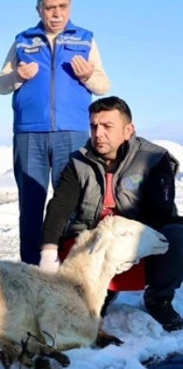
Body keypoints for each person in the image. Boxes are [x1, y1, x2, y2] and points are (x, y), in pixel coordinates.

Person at [39, 96, 183, 332]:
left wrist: (121, 235)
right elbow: (59, 207)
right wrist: (48, 251)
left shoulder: (155, 158)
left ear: (128, 130)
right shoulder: (79, 162)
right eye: (94, 126)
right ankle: (101, 294)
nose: (98, 133)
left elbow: (159, 212)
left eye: (107, 126)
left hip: (135, 234)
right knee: (75, 251)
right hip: (94, 236)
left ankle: (160, 298)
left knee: (176, 236)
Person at [0, 0, 111, 265]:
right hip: (29, 133)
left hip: (71, 133)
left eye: (62, 7)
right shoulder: (23, 40)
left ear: (70, 7)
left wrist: (87, 77)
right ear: (39, 9)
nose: (56, 14)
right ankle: (30, 270)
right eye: (50, 8)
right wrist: (18, 76)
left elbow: (103, 85)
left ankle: (66, 268)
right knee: (31, 204)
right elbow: (0, 84)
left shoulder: (85, 39)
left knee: (70, 204)